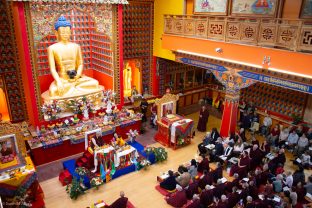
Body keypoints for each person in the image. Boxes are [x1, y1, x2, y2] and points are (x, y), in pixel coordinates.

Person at [46, 16, 99, 98]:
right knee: (53, 91)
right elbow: (53, 69)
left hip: (77, 79)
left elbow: (80, 64)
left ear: (70, 32)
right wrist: (59, 82)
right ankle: (74, 89)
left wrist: (77, 75)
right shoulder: (52, 48)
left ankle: (75, 89)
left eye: (67, 32)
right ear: (56, 33)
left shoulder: (76, 46)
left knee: (95, 83)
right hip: (63, 79)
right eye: (62, 32)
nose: (65, 34)